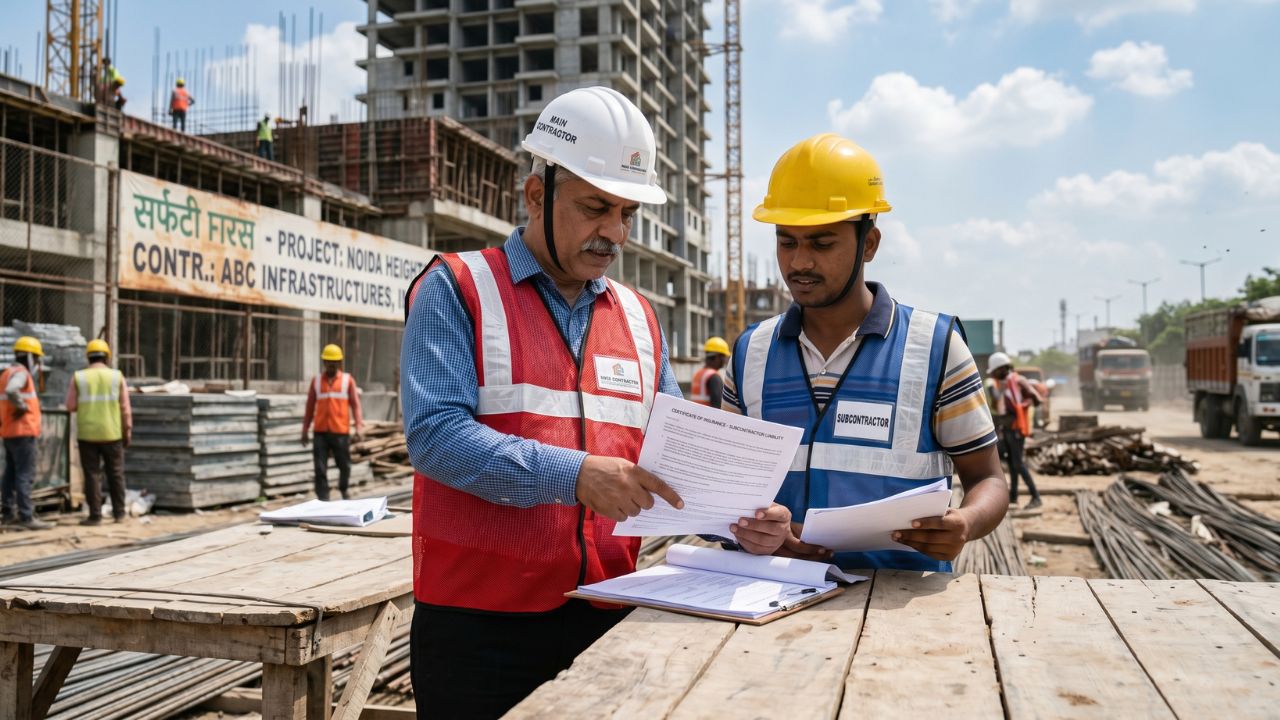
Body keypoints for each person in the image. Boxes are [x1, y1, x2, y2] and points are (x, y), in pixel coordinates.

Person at [400, 86, 789, 719]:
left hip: (609, 612)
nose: (615, 233)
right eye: (595, 208)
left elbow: (669, 461)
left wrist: (738, 518)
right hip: (478, 629)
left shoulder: (639, 318)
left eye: (626, 213)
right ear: (536, 195)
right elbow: (436, 437)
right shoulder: (458, 288)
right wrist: (576, 476)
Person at [724, 133, 1008, 571]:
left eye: (822, 243)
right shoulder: (749, 355)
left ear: (869, 244)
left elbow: (987, 478)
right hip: (773, 600)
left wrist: (965, 522)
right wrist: (754, 528)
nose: (800, 262)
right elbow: (724, 489)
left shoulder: (933, 348)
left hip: (898, 607)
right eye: (787, 241)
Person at [66, 339, 131, 525]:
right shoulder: (117, 376)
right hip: (112, 432)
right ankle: (119, 513)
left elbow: (70, 405)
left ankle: (95, 516)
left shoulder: (79, 377)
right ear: (107, 357)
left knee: (92, 474)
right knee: (116, 473)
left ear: (88, 357)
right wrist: (127, 430)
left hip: (88, 433)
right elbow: (125, 409)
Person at [1, 336, 53, 530]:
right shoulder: (20, 373)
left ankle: (8, 512)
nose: (38, 363)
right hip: (23, 432)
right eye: (37, 359)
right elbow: (12, 390)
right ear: (30, 357)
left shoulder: (6, 372)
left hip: (9, 431)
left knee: (10, 474)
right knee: (24, 474)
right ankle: (26, 516)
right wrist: (22, 407)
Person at [301, 344, 364, 501]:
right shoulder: (316, 382)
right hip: (320, 432)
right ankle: (323, 498)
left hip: (340, 431)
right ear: (323, 362)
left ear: (339, 362)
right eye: (328, 361)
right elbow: (309, 407)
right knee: (320, 468)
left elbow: (356, 405)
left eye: (334, 361)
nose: (331, 364)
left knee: (344, 465)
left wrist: (359, 427)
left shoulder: (347, 381)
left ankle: (344, 490)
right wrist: (304, 430)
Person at [985, 352, 1043, 512]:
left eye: (995, 371)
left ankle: (1035, 496)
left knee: (1018, 463)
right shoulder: (1002, 384)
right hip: (1007, 428)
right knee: (1011, 463)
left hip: (1017, 428)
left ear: (1002, 368)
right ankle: (1014, 496)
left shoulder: (1018, 381)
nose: (994, 375)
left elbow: (1037, 398)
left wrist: (1024, 405)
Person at [691, 336, 730, 408]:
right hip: (707, 418)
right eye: (724, 356)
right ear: (718, 357)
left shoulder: (698, 374)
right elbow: (717, 407)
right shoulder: (714, 377)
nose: (725, 360)